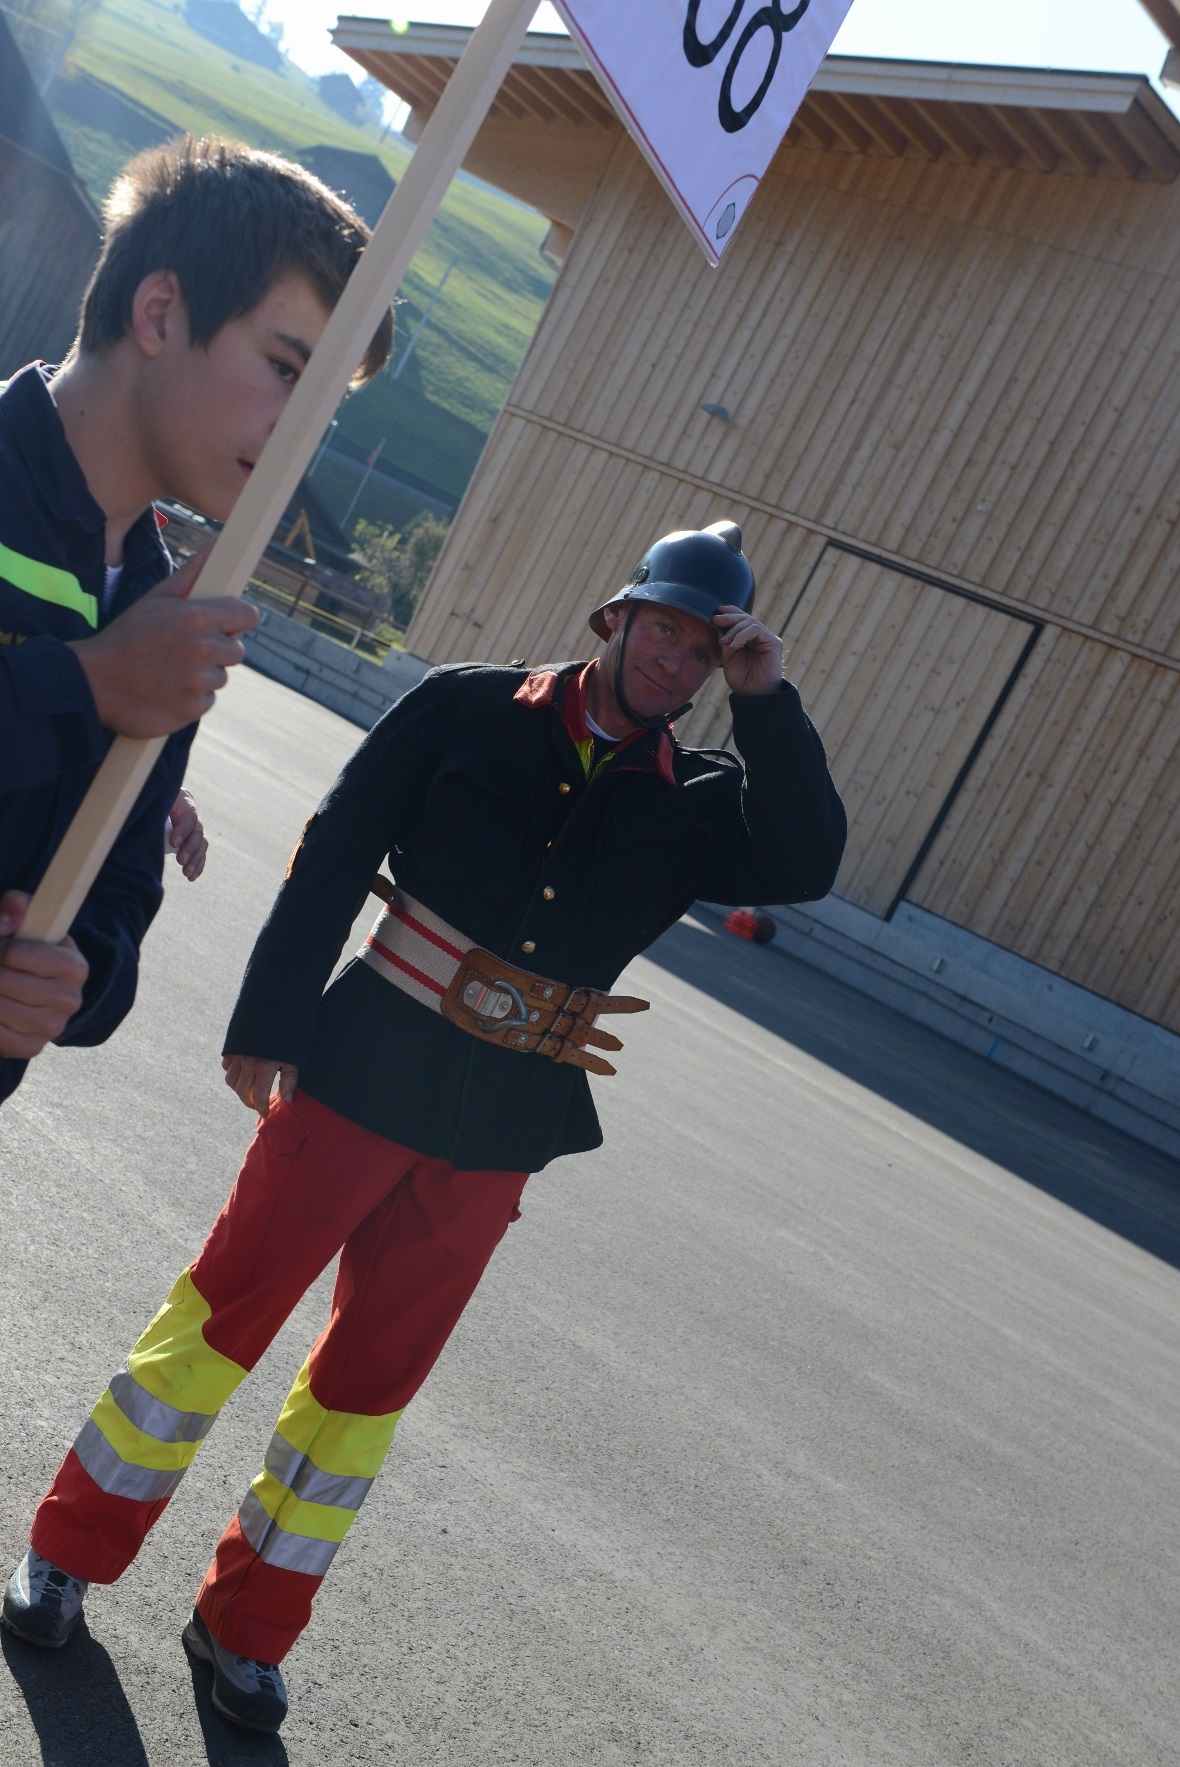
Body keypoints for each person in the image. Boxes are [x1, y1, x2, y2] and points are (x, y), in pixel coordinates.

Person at [3, 521, 847, 1735]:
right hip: (361, 1065)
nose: (678, 665)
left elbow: (807, 860)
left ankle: (245, 1629)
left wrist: (771, 702)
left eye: (705, 656)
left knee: (364, 1395)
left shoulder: (700, 802)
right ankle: (67, 1557)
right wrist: (272, 1018)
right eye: (665, 631)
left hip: (500, 1125)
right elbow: (337, 845)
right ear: (616, 621)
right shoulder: (469, 707)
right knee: (218, 1317)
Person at [0, 134, 392, 1105]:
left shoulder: (165, 606)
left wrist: (72, 982)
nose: (305, 436)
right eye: (286, 367)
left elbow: (124, 893)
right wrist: (84, 683)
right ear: (161, 310)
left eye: (328, 405)